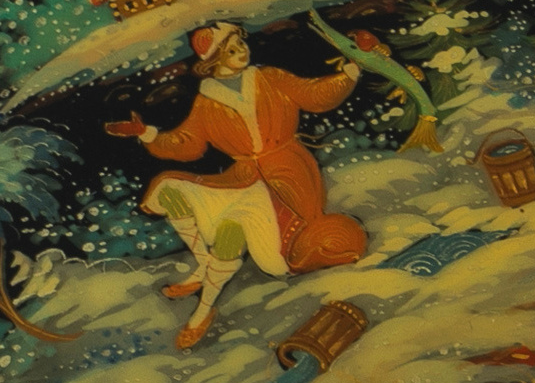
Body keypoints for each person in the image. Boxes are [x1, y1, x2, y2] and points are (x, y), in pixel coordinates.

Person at [103, 22, 368, 351]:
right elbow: (187, 143)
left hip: (287, 176)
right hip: (242, 177)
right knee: (169, 189)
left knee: (237, 228)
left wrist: (349, 73)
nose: (242, 52)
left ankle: (203, 308)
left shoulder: (269, 77)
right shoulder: (207, 101)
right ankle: (203, 270)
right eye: (231, 50)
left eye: (240, 44)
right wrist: (146, 133)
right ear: (214, 61)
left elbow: (313, 94)